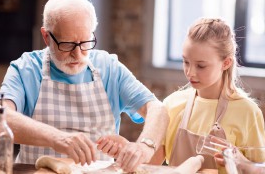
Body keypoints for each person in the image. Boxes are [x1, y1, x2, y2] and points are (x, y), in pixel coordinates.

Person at [0, 0, 169, 168]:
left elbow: (157, 109)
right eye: (67, 44)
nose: (78, 54)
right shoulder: (27, 68)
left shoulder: (109, 67)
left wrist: (145, 147)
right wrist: (58, 138)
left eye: (85, 43)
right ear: (46, 37)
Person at [98, 17, 265, 173]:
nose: (190, 72)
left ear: (226, 63)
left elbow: (260, 169)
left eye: (201, 66)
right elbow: (149, 167)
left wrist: (241, 161)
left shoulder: (247, 112)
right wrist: (127, 151)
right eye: (186, 62)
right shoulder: (172, 104)